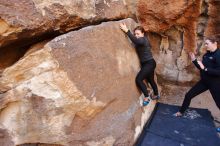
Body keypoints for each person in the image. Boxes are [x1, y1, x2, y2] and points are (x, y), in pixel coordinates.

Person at [174, 36, 220, 132]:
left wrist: (205, 69)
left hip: (215, 83)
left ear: (215, 43)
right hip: (204, 82)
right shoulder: (206, 55)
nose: (205, 45)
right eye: (205, 43)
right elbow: (201, 68)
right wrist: (194, 60)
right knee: (189, 95)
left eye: (207, 43)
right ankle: (181, 112)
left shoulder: (218, 55)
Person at [119, 23, 159, 106]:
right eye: (135, 34)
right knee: (150, 80)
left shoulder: (143, 39)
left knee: (138, 79)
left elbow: (136, 40)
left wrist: (127, 31)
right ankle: (156, 94)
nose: (136, 35)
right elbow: (136, 41)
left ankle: (146, 97)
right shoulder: (141, 40)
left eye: (138, 34)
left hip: (149, 63)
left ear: (143, 33)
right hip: (148, 64)